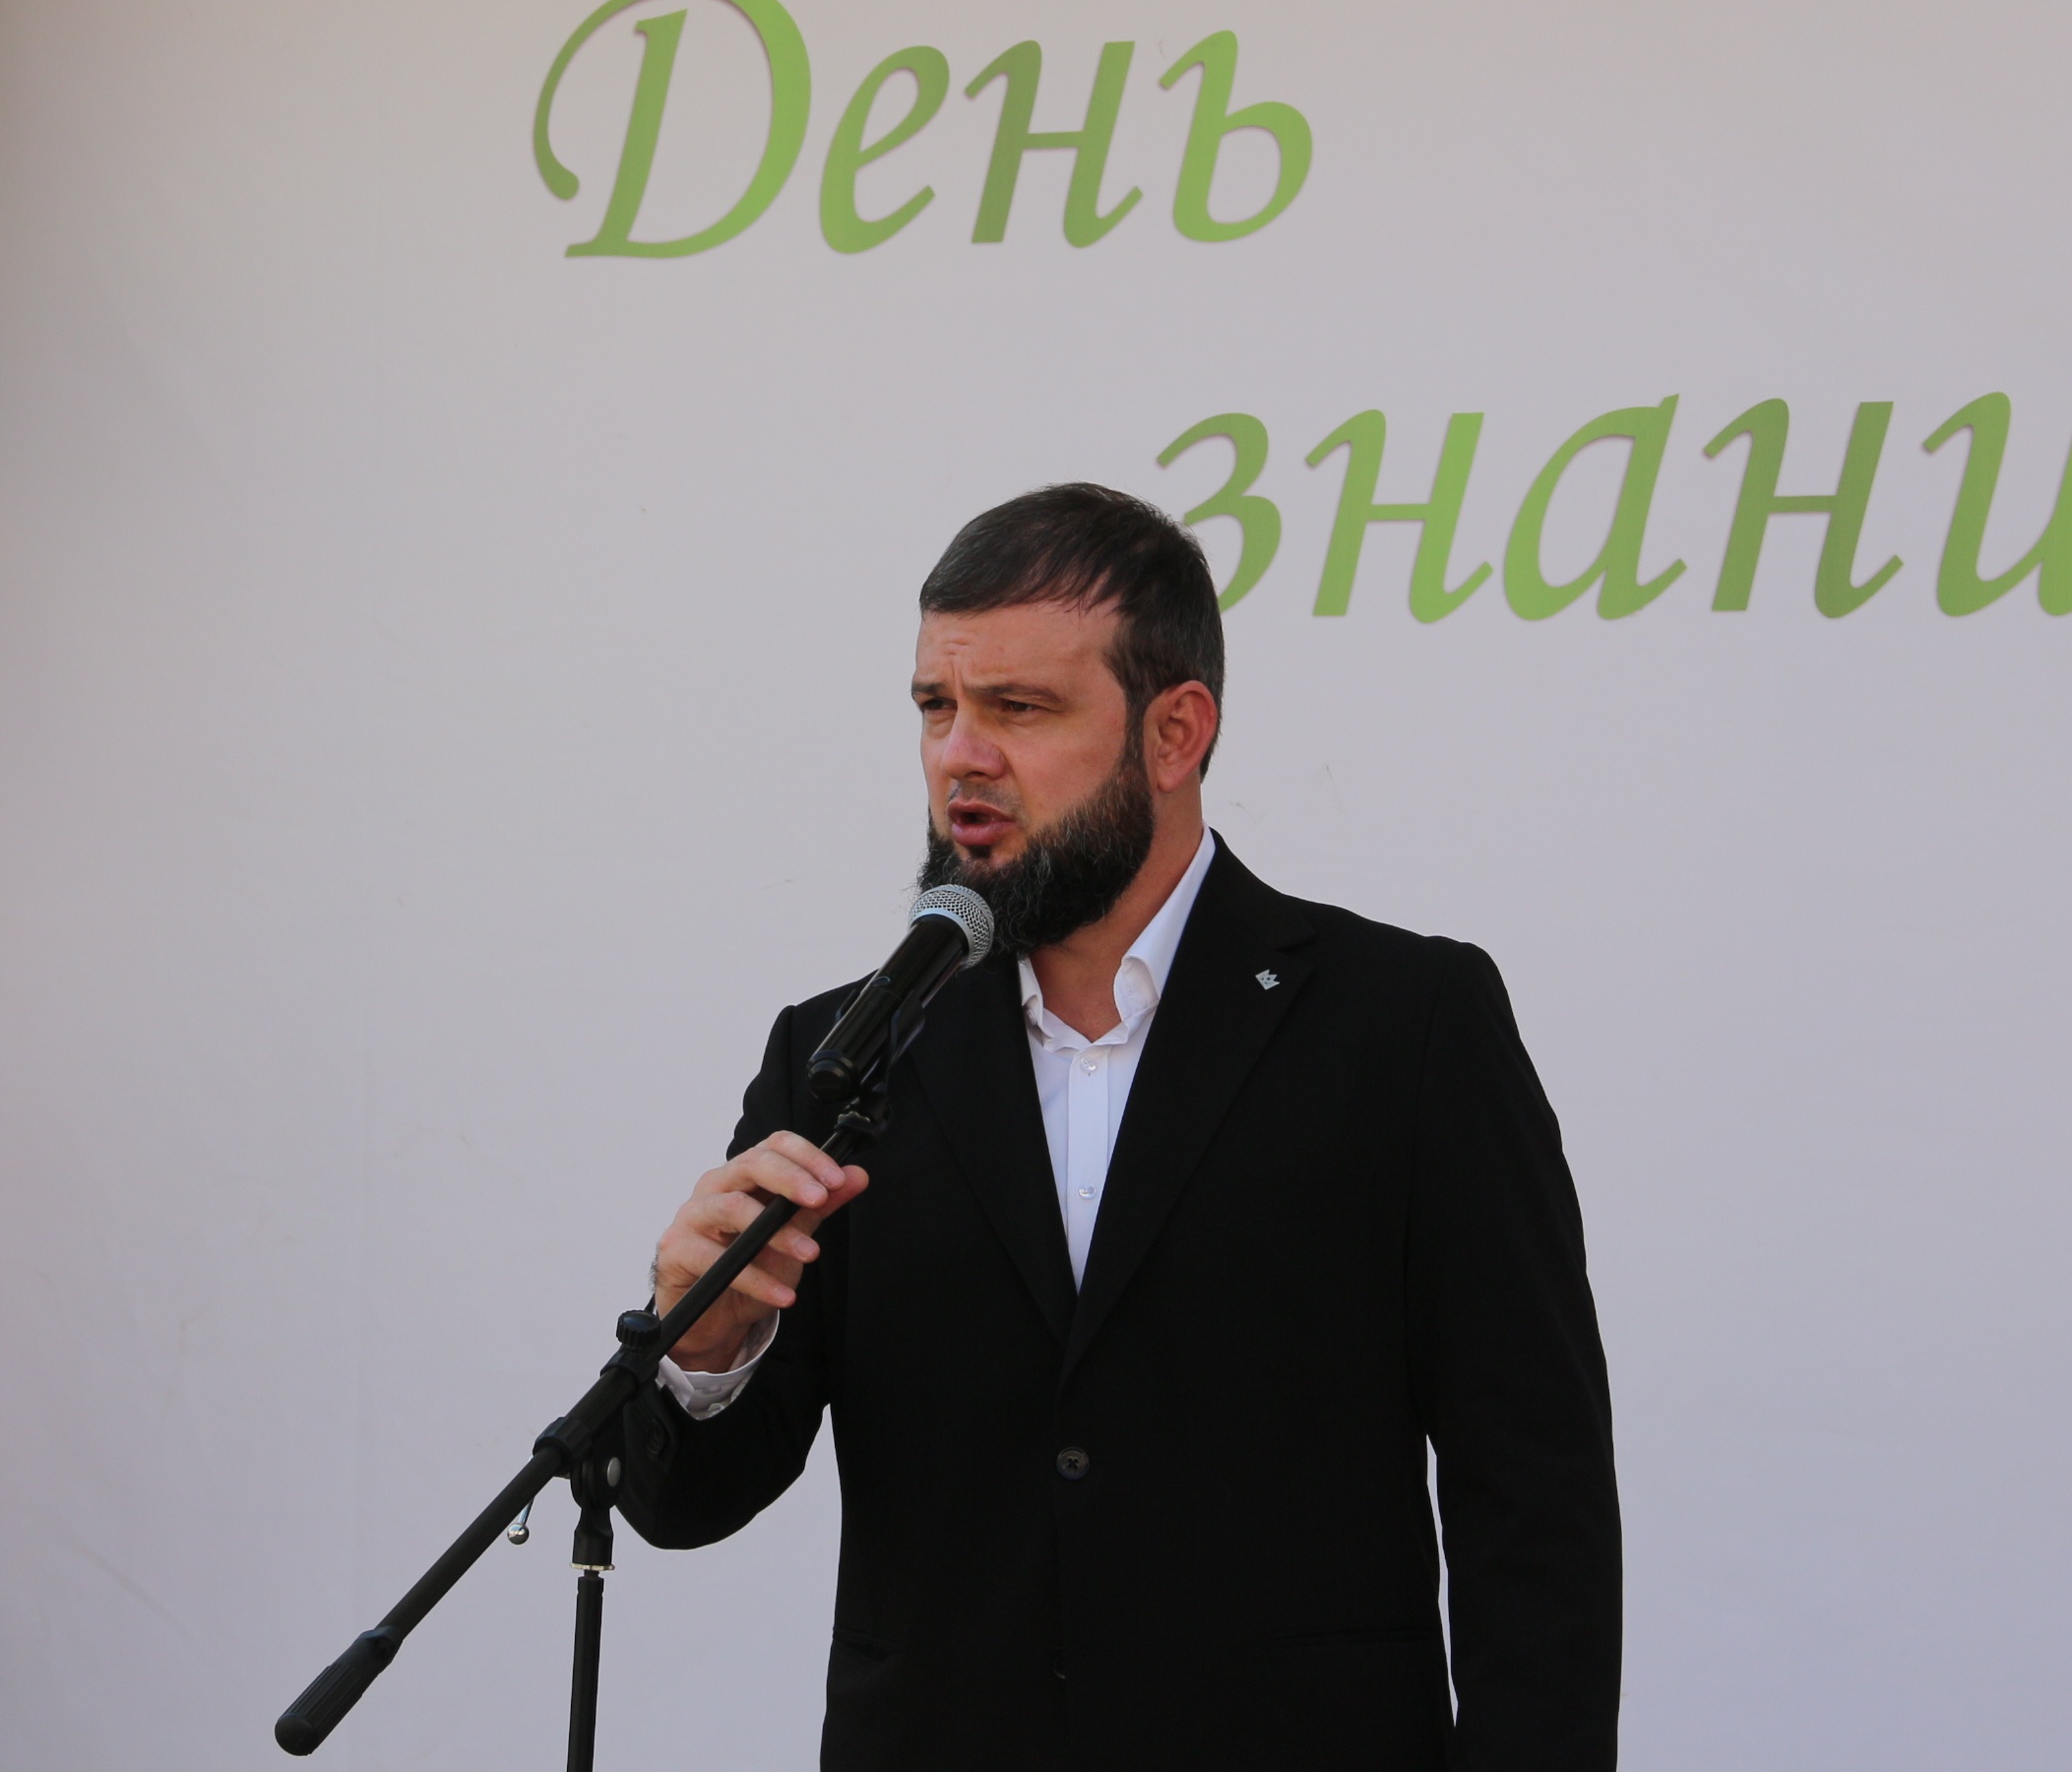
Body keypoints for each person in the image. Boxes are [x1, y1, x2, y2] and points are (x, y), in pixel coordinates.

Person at [624, 483, 1621, 1770]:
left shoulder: (1405, 1027)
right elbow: (684, 1503)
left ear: (1174, 732)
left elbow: (1533, 1501)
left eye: (1018, 708)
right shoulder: (842, 1057)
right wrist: (703, 1350)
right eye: (935, 706)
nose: (961, 755)